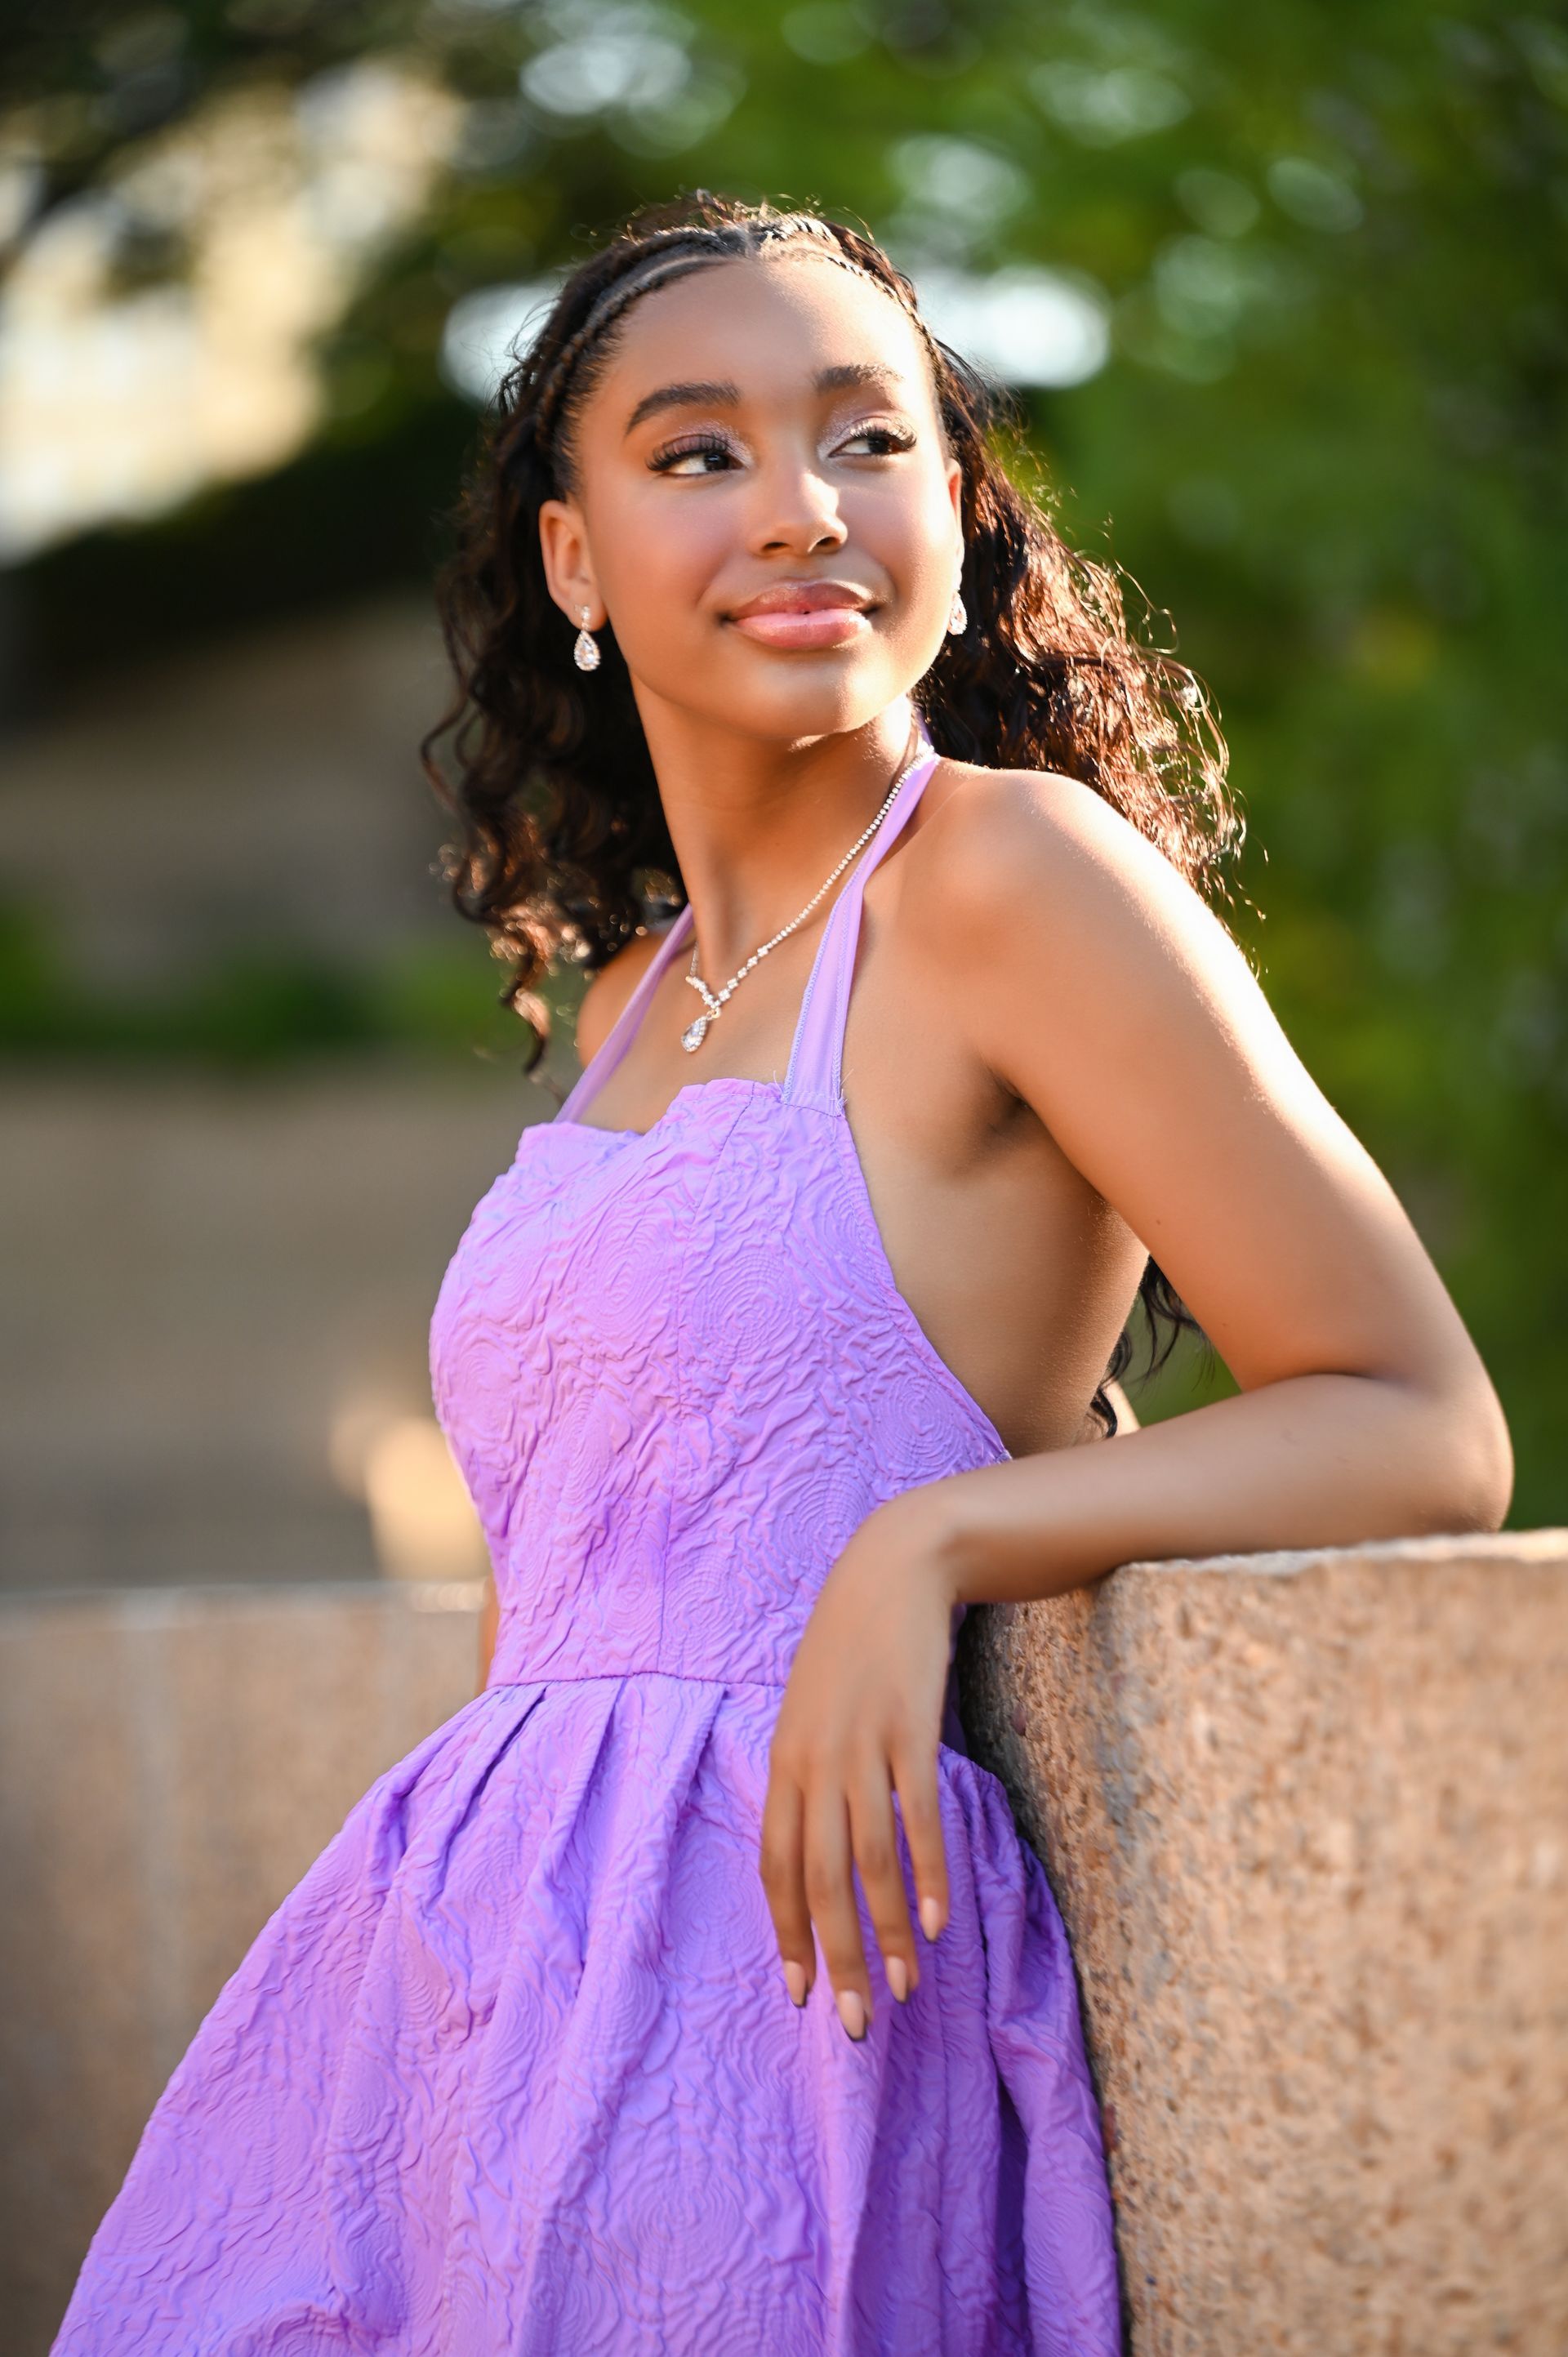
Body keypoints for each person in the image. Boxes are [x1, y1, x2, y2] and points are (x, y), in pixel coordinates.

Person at [53, 193, 1511, 2357]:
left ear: (958, 517)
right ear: (574, 560)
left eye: (867, 439)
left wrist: (932, 1541)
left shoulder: (1009, 880)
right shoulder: (627, 1000)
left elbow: (1418, 1421)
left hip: (787, 2017)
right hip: (448, 2003)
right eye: (700, 451)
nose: (802, 508)